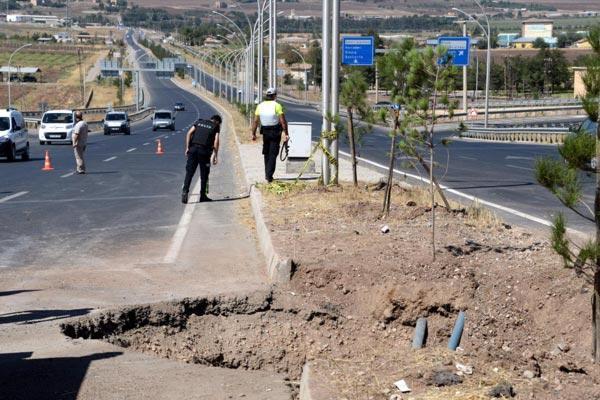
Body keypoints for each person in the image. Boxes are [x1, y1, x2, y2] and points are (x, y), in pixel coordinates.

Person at [181, 114, 222, 204]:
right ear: (217, 122)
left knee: (189, 172)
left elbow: (189, 133)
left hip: (193, 150)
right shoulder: (216, 126)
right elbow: (216, 140)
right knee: (204, 175)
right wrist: (215, 155)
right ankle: (202, 196)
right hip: (204, 152)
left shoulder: (199, 122)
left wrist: (187, 147)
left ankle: (185, 191)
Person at [251, 87, 289, 183]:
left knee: (266, 153)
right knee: (273, 153)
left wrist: (253, 134)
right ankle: (269, 175)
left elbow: (255, 121)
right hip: (275, 132)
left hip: (265, 132)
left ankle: (267, 174)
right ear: (274, 96)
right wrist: (286, 134)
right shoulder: (277, 105)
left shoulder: (260, 106)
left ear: (266, 96)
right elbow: (283, 121)